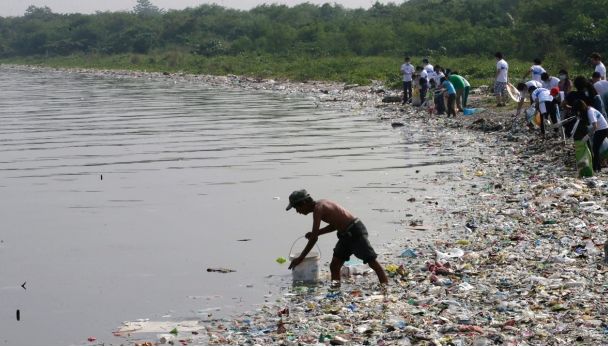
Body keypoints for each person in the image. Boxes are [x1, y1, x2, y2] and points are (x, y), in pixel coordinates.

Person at [286, 190, 388, 287]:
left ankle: (385, 288)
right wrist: (317, 232)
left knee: (372, 262)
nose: (297, 211)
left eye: (296, 208)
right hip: (345, 235)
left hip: (355, 231)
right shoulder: (320, 206)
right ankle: (335, 291)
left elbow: (314, 239)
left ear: (304, 203)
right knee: (334, 266)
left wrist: (301, 258)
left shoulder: (318, 208)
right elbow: (335, 225)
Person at [574, 100, 608, 172]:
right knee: (595, 149)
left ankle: (597, 168)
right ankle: (597, 167)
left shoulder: (590, 112)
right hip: (602, 128)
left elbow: (595, 126)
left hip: (602, 129)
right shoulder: (589, 109)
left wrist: (587, 136)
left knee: (595, 149)